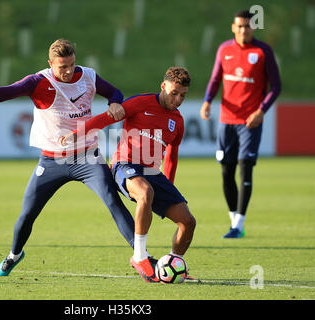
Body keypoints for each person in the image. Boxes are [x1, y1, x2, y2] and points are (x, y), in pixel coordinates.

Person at [0, 39, 137, 276]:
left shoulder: (88, 76)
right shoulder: (39, 81)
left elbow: (114, 92)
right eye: (62, 67)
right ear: (50, 64)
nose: (68, 71)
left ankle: (141, 256)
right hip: (51, 161)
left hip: (88, 157)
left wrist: (115, 103)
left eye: (71, 64)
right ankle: (14, 255)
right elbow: (5, 92)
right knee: (27, 213)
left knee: (112, 201)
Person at [60, 67, 196, 283]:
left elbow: (172, 155)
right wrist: (77, 133)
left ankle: (174, 263)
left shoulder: (177, 121)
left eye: (183, 95)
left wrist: (169, 187)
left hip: (152, 171)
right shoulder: (140, 103)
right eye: (174, 93)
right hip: (125, 165)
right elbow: (105, 119)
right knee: (145, 193)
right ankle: (139, 256)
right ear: (163, 86)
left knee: (188, 221)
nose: (178, 99)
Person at [200, 10, 281, 238]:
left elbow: (276, 87)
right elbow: (215, 79)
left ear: (253, 28)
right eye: (240, 26)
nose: (244, 30)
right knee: (227, 171)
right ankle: (234, 219)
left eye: (248, 26)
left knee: (246, 167)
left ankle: (239, 225)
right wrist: (207, 102)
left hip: (250, 122)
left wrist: (261, 111)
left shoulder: (262, 51)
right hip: (227, 120)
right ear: (233, 28)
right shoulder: (224, 50)